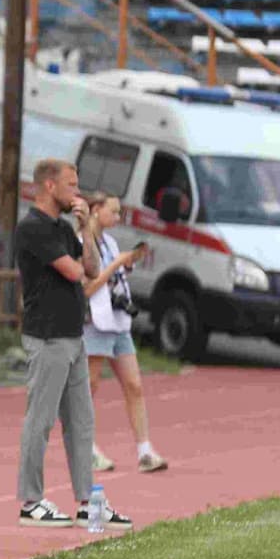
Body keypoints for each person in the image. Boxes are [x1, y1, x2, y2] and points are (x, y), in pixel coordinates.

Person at [12, 159, 101, 529]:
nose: (76, 193)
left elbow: (93, 268)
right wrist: (82, 245)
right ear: (49, 186)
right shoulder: (32, 228)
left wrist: (87, 227)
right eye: (71, 185)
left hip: (73, 335)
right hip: (48, 336)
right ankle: (31, 501)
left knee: (82, 423)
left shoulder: (64, 227)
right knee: (41, 420)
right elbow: (74, 271)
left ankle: (86, 501)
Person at [82, 191, 168, 477]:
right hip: (95, 322)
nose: (118, 218)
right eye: (114, 212)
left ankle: (144, 450)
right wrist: (116, 264)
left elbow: (111, 277)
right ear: (95, 210)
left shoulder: (110, 241)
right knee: (90, 386)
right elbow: (88, 287)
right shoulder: (82, 243)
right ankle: (86, 447)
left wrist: (126, 264)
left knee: (134, 385)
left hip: (118, 322)